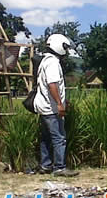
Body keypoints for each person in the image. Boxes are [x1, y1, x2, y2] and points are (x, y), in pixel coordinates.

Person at [34, 34, 79, 177]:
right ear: (58, 46)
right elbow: (52, 84)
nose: (66, 51)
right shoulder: (53, 62)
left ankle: (45, 165)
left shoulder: (45, 61)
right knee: (59, 137)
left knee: (46, 137)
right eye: (65, 47)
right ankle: (59, 167)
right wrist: (60, 104)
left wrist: (63, 101)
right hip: (51, 108)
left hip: (44, 106)